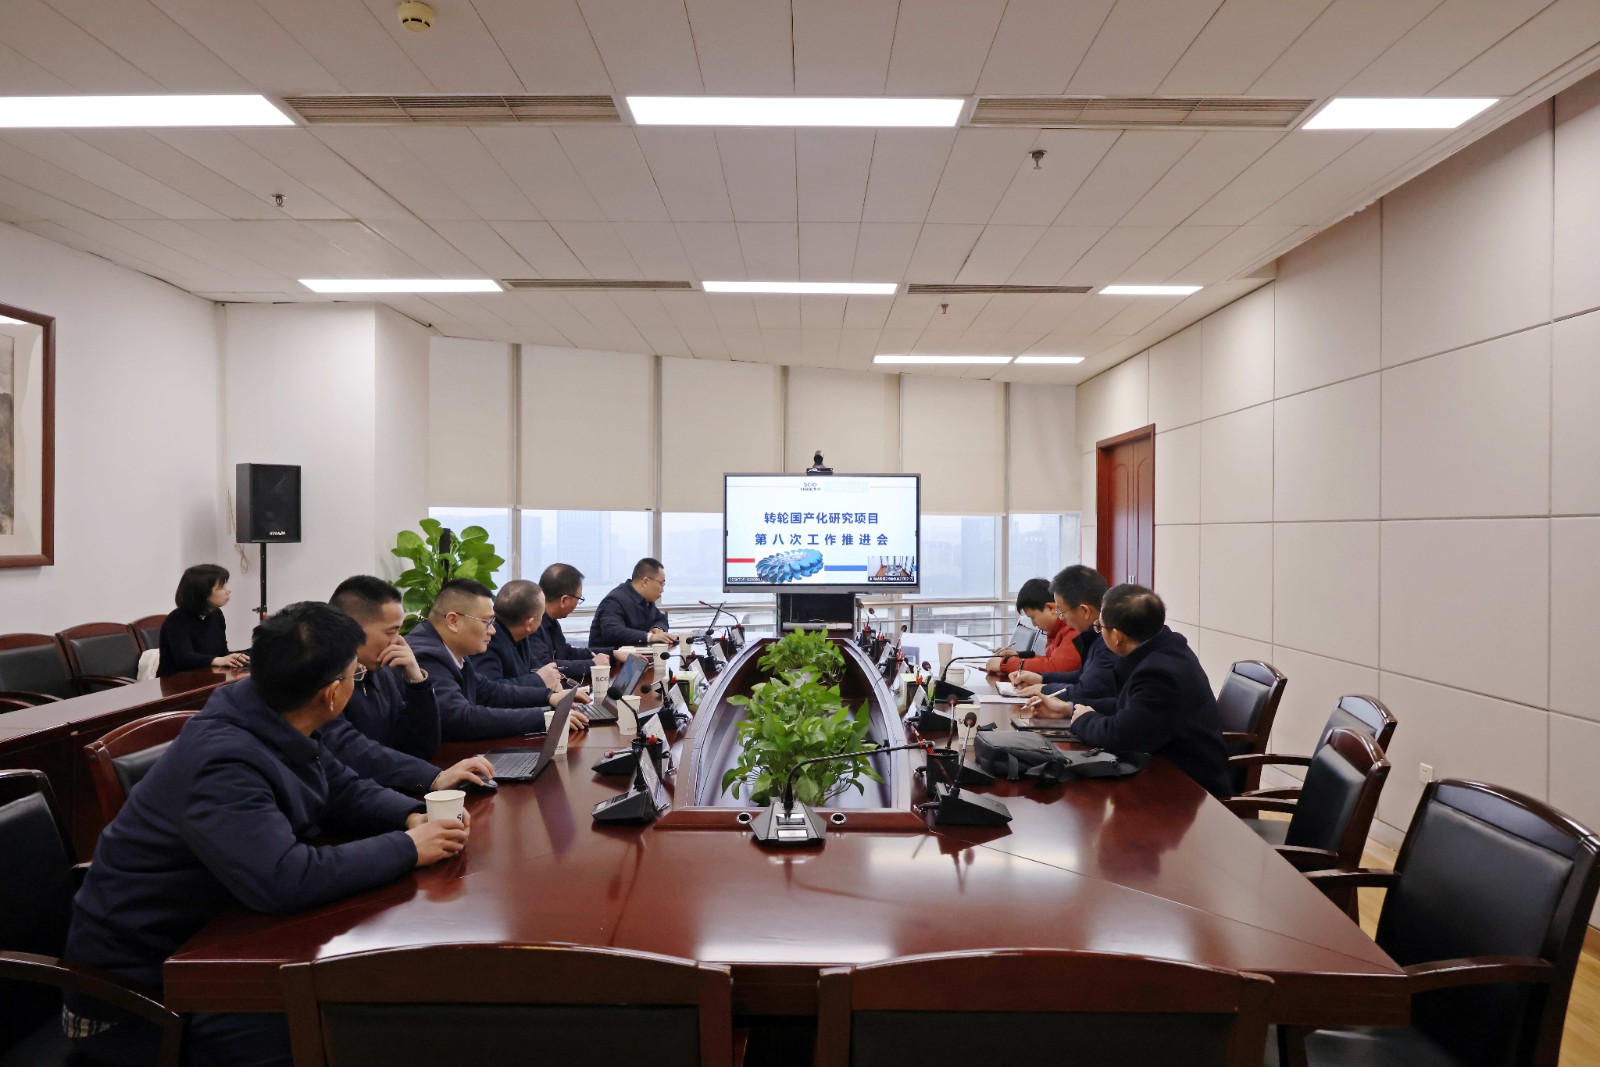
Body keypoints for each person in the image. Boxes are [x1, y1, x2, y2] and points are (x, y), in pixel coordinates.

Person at [62, 602, 469, 1067]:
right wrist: (407, 848)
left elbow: (340, 787)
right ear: (332, 694)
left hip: (219, 937)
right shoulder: (223, 760)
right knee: (359, 1028)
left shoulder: (272, 712)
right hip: (140, 1000)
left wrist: (411, 815)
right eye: (355, 675)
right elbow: (285, 878)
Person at [1041, 584, 1231, 798]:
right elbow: (1132, 708)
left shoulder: (1159, 673)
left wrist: (1084, 720)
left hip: (1188, 788)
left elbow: (1121, 735)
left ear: (1117, 636)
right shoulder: (1163, 649)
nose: (1098, 632)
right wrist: (1070, 708)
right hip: (1165, 768)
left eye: (1100, 627)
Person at [327, 575, 495, 794]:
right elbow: (350, 749)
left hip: (386, 792)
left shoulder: (382, 672)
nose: (400, 641)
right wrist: (433, 777)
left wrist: (417, 681)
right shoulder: (323, 680)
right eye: (391, 631)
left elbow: (419, 746)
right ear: (351, 630)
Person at [408, 579, 589, 741]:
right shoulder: (427, 655)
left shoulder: (451, 649)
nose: (493, 630)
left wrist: (549, 697)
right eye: (486, 622)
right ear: (453, 621)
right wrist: (544, 718)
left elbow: (489, 691)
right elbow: (462, 718)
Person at [1013, 565, 1122, 713]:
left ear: (1084, 611)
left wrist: (1044, 689)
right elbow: (1082, 675)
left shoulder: (1109, 642)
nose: (1061, 617)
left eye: (1061, 611)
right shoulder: (1094, 635)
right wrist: (1042, 678)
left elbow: (1087, 691)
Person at [470, 579, 568, 697]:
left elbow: (537, 667)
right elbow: (491, 691)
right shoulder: (488, 640)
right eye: (542, 614)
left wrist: (553, 680)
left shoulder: (520, 636)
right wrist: (539, 680)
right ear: (530, 624)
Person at [156, 563, 248, 676]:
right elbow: (184, 658)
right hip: (176, 682)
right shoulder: (176, 620)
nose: (228, 591)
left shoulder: (216, 614)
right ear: (203, 593)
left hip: (208, 677)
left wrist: (240, 657)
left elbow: (221, 653)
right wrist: (219, 660)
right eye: (222, 587)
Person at [530, 562, 613, 677]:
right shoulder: (532, 625)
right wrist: (592, 664)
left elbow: (565, 652)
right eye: (579, 598)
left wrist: (612, 653)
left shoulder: (551, 620)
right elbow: (545, 666)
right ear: (564, 600)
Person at [985, 577, 1082, 675]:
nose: (1033, 624)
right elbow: (1049, 661)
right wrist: (1018, 656)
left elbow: (1054, 667)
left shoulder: (1074, 630)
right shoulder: (1057, 631)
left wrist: (1006, 664)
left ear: (1050, 608)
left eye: (1033, 617)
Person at [589, 557, 677, 650]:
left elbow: (661, 619)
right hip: (610, 658)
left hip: (638, 655)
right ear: (646, 582)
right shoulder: (614, 600)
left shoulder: (647, 601)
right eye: (661, 584)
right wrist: (649, 637)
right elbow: (612, 631)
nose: (662, 590)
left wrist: (658, 628)